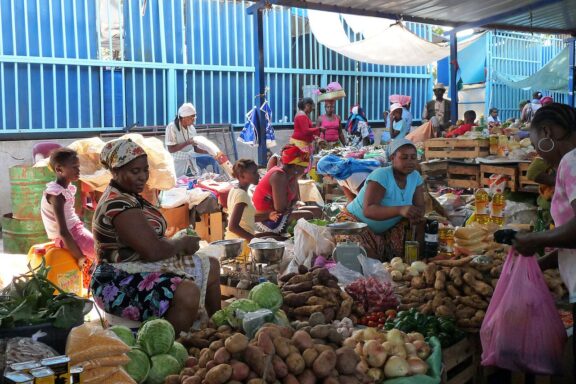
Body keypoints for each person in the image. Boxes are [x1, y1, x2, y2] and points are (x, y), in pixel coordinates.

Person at [90, 138, 221, 333]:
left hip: (137, 266)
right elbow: (153, 250)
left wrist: (175, 242)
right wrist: (181, 242)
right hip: (117, 279)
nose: (142, 176)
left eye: (145, 170)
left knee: (211, 265)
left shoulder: (129, 196)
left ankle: (217, 329)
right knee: (187, 292)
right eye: (135, 171)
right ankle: (174, 345)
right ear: (116, 171)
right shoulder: (117, 204)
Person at [513, 103, 576, 335]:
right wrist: (542, 264)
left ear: (547, 132)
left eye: (534, 143)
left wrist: (535, 239)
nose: (537, 152)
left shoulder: (572, 161)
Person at [336, 139, 425, 260]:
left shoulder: (415, 177)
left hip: (387, 229)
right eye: (404, 157)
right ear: (393, 158)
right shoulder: (382, 175)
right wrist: (400, 210)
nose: (410, 161)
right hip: (356, 223)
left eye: (413, 157)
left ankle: (416, 261)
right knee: (360, 255)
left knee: (421, 224)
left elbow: (420, 206)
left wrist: (416, 214)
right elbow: (368, 211)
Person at [40, 148, 95, 287]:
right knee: (106, 255)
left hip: (76, 230)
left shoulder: (65, 189)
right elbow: (63, 231)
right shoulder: (56, 194)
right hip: (71, 234)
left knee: (105, 248)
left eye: (78, 167)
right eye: (74, 167)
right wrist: (80, 257)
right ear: (59, 169)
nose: (78, 170)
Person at [253, 145, 321, 233]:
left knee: (317, 210)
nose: (304, 171)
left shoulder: (292, 175)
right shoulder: (279, 175)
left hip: (281, 213)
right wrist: (291, 206)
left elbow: (296, 199)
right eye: (304, 168)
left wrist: (290, 206)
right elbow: (280, 209)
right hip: (268, 218)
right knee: (308, 215)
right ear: (296, 167)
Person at [225, 159, 281, 258]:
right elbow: (233, 226)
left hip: (237, 241)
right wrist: (255, 241)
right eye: (254, 173)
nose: (258, 175)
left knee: (273, 236)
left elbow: (246, 217)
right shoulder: (241, 195)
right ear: (242, 176)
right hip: (241, 245)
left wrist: (267, 215)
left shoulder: (235, 190)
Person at [165, 102, 219, 177]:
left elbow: (195, 149)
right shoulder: (172, 127)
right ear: (184, 117)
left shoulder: (192, 128)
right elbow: (171, 149)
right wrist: (187, 143)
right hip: (175, 164)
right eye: (192, 117)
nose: (194, 119)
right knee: (175, 184)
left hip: (189, 162)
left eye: (195, 116)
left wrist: (210, 152)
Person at [316, 154, 380, 202]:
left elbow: (364, 199)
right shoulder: (339, 175)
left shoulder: (351, 175)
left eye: (323, 174)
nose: (324, 176)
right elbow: (350, 196)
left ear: (328, 172)